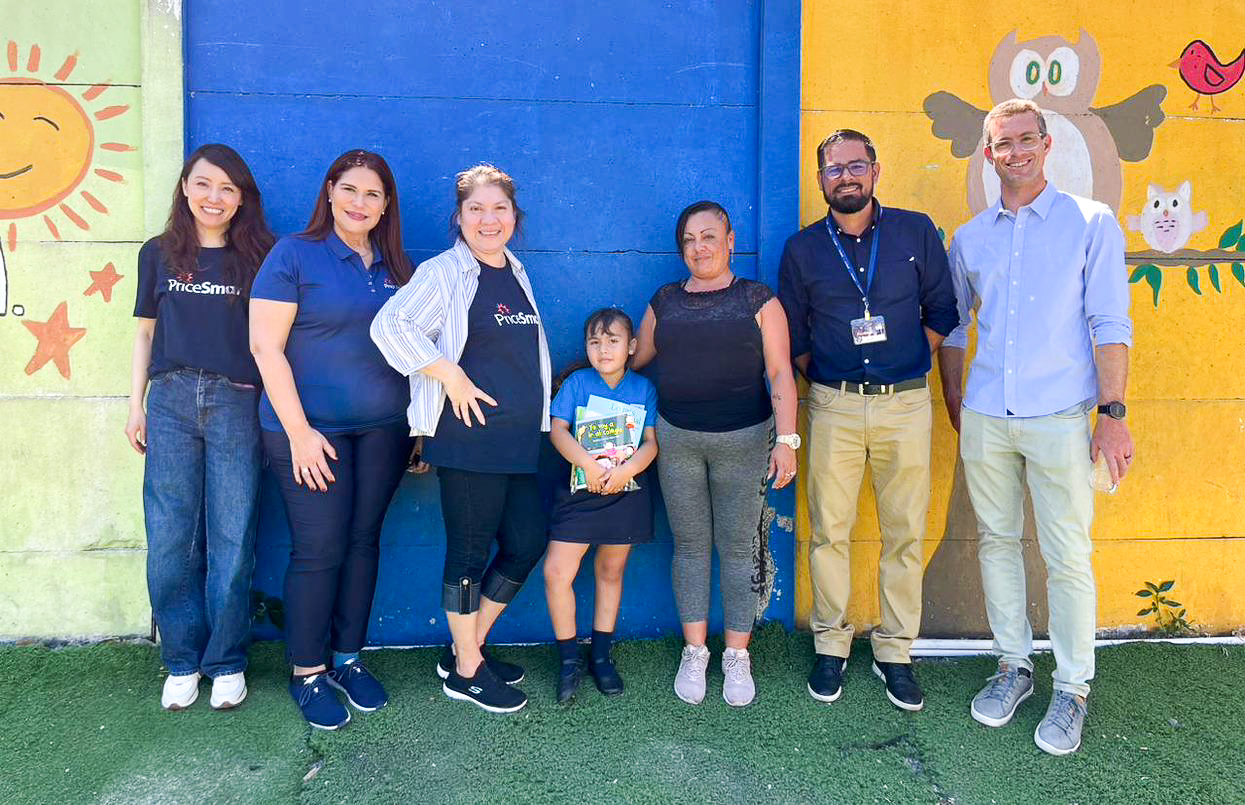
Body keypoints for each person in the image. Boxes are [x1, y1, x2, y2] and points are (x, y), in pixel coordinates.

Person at [939, 99, 1134, 756]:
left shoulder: (1090, 223)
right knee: (996, 542)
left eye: (1026, 139)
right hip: (988, 418)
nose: (1014, 152)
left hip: (1058, 419)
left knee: (1066, 556)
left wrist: (1111, 416)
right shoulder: (968, 238)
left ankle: (1072, 686)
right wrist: (956, 401)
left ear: (1046, 146)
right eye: (1002, 143)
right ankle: (1012, 667)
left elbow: (1109, 323)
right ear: (987, 154)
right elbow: (955, 327)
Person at [777, 129, 958, 712]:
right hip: (832, 403)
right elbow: (795, 336)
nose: (846, 177)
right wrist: (833, 381)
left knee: (904, 530)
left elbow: (943, 313)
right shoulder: (803, 249)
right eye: (834, 169)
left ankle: (895, 650)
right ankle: (831, 644)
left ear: (876, 171)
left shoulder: (916, 231)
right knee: (830, 527)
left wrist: (904, 366)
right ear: (822, 179)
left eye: (856, 166)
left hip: (905, 402)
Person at [371, 164, 551, 715]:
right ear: (460, 218)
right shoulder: (446, 272)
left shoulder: (515, 271)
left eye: (499, 209)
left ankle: (463, 648)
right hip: (470, 440)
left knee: (525, 543)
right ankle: (467, 671)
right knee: (469, 553)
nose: (488, 219)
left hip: (519, 442)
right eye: (477, 209)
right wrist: (448, 374)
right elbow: (389, 325)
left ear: (514, 219)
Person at [249, 150, 415, 730]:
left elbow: (416, 352)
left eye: (372, 194)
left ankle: (347, 658)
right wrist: (298, 431)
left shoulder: (398, 265)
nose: (359, 203)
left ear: (386, 204)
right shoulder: (293, 254)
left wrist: (416, 429)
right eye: (349, 190)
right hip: (307, 432)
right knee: (319, 548)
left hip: (384, 431)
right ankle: (308, 672)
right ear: (328, 192)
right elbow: (265, 347)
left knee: (364, 541)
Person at [126, 144, 275, 712]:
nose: (215, 198)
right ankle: (183, 660)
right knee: (169, 536)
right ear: (185, 187)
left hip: (236, 400)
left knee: (233, 535)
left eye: (228, 189)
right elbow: (144, 332)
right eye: (204, 184)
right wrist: (134, 404)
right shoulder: (158, 253)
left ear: (242, 199)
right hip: (167, 400)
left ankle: (227, 659)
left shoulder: (260, 256)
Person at [633, 200, 798, 708]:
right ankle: (696, 649)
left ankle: (736, 655)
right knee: (689, 545)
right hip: (677, 439)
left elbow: (780, 374)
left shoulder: (758, 299)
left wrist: (788, 440)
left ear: (730, 240)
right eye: (689, 240)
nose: (699, 247)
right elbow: (634, 360)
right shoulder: (664, 300)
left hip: (744, 441)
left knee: (738, 546)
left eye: (709, 236)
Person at [544, 308, 659, 703]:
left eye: (612, 340)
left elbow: (651, 443)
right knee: (557, 572)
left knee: (610, 571)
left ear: (631, 347)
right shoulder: (577, 383)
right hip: (581, 491)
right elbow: (557, 430)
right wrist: (588, 464)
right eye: (595, 341)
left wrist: (626, 471)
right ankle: (568, 660)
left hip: (624, 492)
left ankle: (602, 656)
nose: (603, 349)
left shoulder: (643, 388)